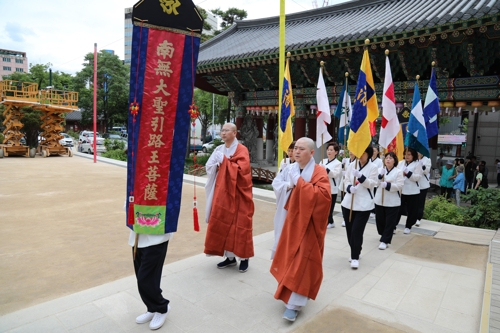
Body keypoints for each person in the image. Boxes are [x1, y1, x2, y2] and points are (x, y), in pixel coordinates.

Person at [270, 137, 331, 322]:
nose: (296, 151)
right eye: (295, 148)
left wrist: (300, 184)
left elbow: (323, 197)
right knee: (289, 257)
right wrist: (289, 184)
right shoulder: (289, 169)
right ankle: (287, 291)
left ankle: (294, 305)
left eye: (301, 149)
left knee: (302, 261)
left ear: (312, 153)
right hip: (290, 222)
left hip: (308, 226)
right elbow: (276, 184)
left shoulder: (319, 172)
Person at [204, 123, 254, 272]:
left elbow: (242, 171)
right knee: (224, 222)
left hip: (239, 193)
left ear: (234, 133)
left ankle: (244, 258)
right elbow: (209, 166)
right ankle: (230, 258)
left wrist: (225, 162)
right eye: (222, 130)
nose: (223, 133)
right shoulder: (219, 149)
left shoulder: (242, 150)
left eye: (226, 130)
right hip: (222, 191)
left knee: (240, 224)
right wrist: (219, 164)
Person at [128, 212, 172, 330]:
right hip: (138, 235)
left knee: (145, 278)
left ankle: (162, 308)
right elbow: (127, 206)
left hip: (157, 236)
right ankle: (152, 307)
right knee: (140, 276)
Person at [341, 145, 378, 269]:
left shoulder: (373, 168)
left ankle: (355, 257)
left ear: (368, 154)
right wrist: (349, 187)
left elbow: (373, 183)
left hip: (364, 204)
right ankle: (356, 250)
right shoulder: (352, 165)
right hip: (349, 203)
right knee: (350, 231)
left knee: (357, 231)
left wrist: (361, 177)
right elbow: (346, 179)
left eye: (363, 153)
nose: (361, 155)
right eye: (359, 152)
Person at [374, 152, 404, 250]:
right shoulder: (379, 170)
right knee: (380, 220)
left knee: (390, 222)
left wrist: (388, 185)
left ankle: (385, 240)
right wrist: (380, 177)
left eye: (390, 158)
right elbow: (374, 183)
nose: (388, 160)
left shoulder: (398, 171)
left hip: (392, 201)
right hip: (380, 199)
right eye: (386, 158)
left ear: (394, 160)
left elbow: (399, 186)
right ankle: (383, 234)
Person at [397, 147, 423, 235]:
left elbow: (417, 177)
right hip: (401, 190)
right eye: (405, 154)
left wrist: (408, 173)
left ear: (413, 155)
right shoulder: (401, 163)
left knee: (412, 210)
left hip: (412, 190)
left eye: (409, 154)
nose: (407, 156)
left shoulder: (417, 164)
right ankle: (393, 225)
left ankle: (408, 226)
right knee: (398, 209)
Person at [319, 142, 342, 228]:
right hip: (322, 186)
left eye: (331, 150)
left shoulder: (338, 163)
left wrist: (326, 169)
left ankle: (329, 221)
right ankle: (330, 221)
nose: (329, 151)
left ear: (336, 152)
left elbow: (335, 174)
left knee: (330, 206)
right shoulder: (323, 161)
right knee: (322, 205)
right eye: (328, 150)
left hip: (332, 187)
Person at [340, 151, 357, 227]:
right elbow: (340, 170)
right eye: (350, 151)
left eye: (353, 151)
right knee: (343, 202)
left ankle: (349, 217)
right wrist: (342, 165)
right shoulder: (346, 160)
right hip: (344, 184)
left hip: (352, 185)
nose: (351, 152)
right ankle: (344, 218)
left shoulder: (356, 162)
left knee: (350, 202)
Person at [415, 152, 431, 227]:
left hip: (423, 185)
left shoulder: (427, 160)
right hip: (414, 184)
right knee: (413, 202)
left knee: (420, 202)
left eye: (420, 152)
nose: (418, 153)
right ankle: (412, 217)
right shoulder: (413, 159)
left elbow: (426, 171)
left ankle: (418, 218)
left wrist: (422, 165)